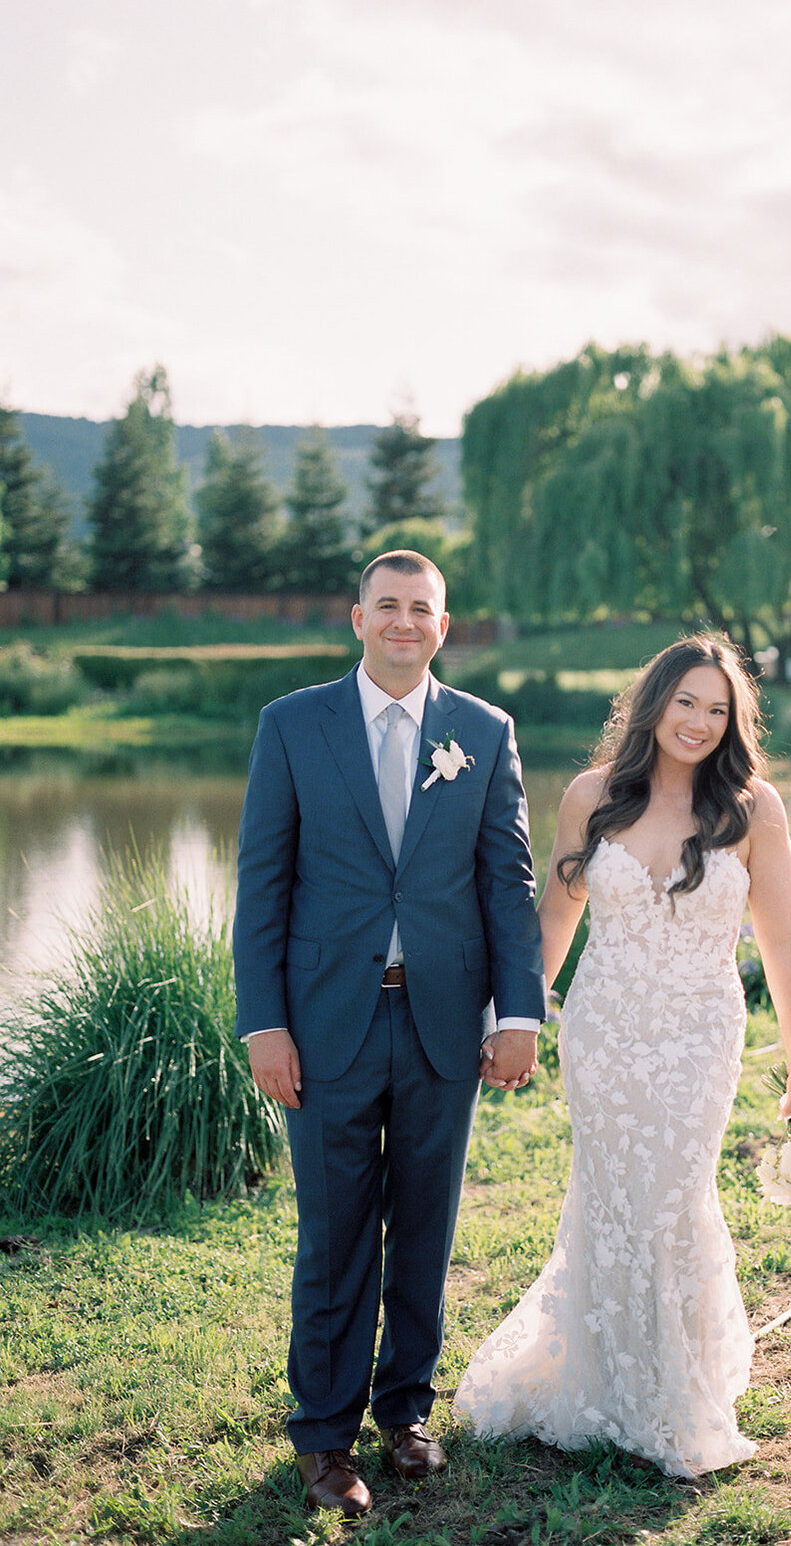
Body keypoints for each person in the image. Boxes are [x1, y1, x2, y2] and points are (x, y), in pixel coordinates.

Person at [457, 634, 791, 1478]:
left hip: (699, 1032)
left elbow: (783, 939)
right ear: (654, 702)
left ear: (734, 722)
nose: (698, 721)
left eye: (716, 708)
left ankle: (673, 1390)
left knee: (674, 1193)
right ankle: (602, 1378)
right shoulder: (593, 795)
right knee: (613, 1194)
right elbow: (556, 916)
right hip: (606, 1029)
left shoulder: (754, 806)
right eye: (685, 701)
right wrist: (520, 1019)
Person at [233, 549, 545, 1516]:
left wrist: (520, 1012)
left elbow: (508, 882)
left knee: (425, 1222)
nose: (405, 622)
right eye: (388, 606)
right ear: (357, 618)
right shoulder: (292, 725)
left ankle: (406, 1411)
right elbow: (261, 886)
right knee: (334, 1233)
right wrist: (265, 1024)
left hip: (444, 1021)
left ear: (443, 626)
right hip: (325, 1024)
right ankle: (324, 1435)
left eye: (423, 608)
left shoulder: (482, 732)